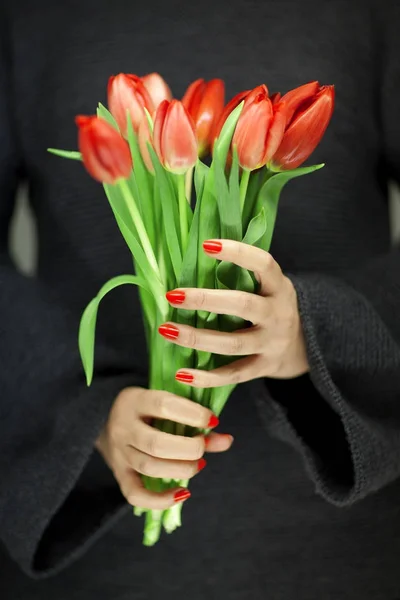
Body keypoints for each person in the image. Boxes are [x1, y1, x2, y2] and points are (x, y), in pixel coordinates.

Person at [1, 0, 400, 598]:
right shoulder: (26, 14)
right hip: (89, 548)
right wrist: (78, 416)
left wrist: (317, 330)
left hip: (338, 546)